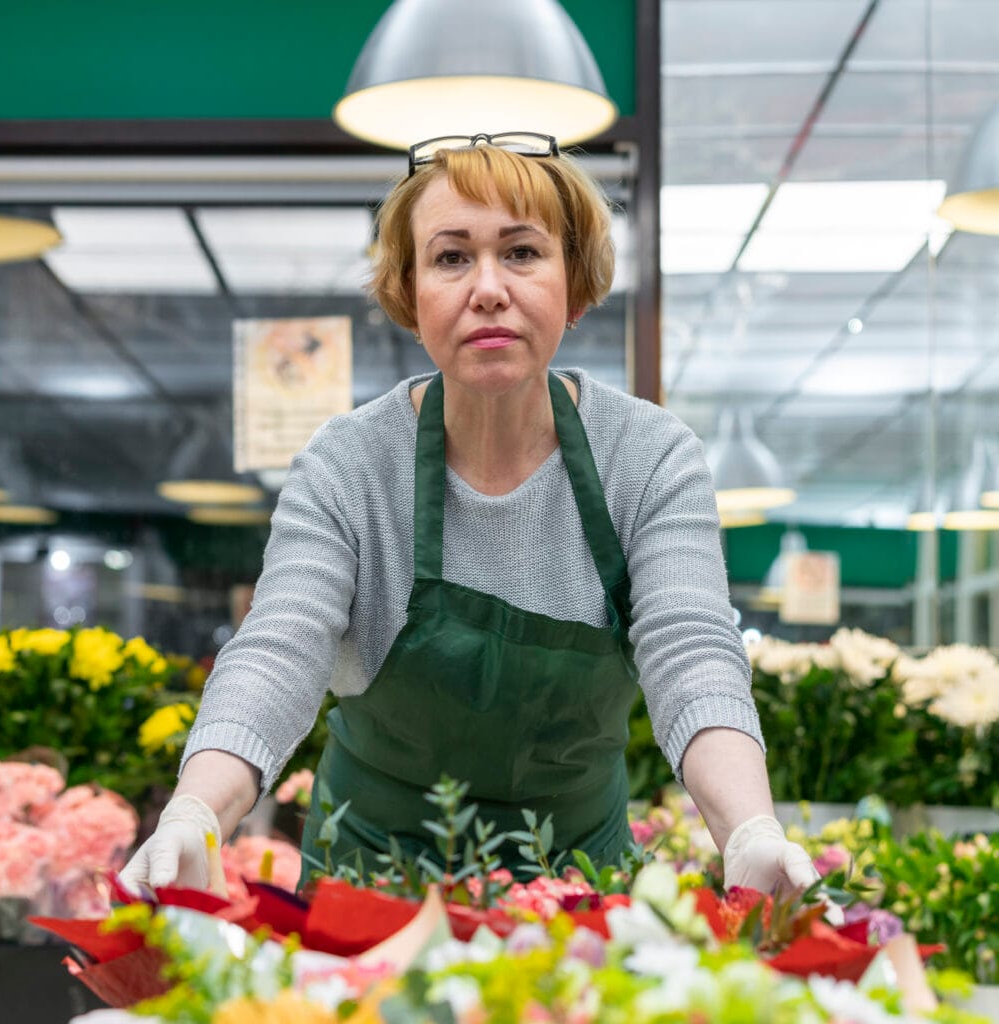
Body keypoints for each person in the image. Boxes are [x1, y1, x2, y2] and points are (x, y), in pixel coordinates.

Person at [121, 132, 819, 897]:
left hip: (578, 891)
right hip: (369, 890)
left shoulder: (648, 456)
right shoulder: (349, 463)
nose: (488, 286)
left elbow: (692, 650)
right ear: (411, 294)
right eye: (452, 258)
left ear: (573, 284)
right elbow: (280, 649)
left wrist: (749, 830)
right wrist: (195, 810)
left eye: (521, 252)